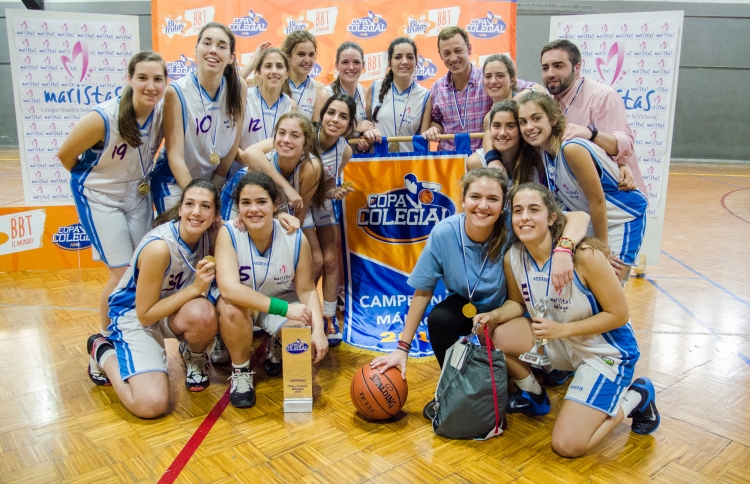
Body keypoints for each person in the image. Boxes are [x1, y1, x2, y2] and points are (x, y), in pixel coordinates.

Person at [370, 167, 590, 418]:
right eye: (475, 197)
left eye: (492, 199)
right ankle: (454, 388)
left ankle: (533, 382)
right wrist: (402, 348)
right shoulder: (444, 233)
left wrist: (564, 249)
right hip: (471, 305)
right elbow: (423, 292)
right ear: (463, 200)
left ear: (503, 206)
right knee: (441, 319)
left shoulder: (516, 223)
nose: (483, 206)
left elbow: (580, 217)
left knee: (495, 334)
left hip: (511, 309)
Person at [486, 182, 658, 457]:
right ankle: (534, 394)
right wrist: (493, 316)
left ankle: (638, 396)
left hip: (603, 352)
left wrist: (561, 330)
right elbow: (517, 304)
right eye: (518, 211)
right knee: (496, 335)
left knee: (567, 445)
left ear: (552, 218)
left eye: (534, 210)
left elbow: (619, 315)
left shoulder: (585, 255)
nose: (524, 217)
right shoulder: (513, 257)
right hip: (561, 344)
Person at [85, 180, 221, 418]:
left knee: (205, 314)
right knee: (151, 405)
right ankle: (102, 350)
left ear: (215, 215)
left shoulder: (209, 234)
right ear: (180, 208)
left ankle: (194, 357)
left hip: (170, 309)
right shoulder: (160, 247)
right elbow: (145, 315)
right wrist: (195, 288)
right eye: (190, 204)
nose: (197, 212)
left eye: (205, 206)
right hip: (136, 315)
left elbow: (246, 224)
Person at [58, 51, 166, 337]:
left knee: (142, 269)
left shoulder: (162, 111)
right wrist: (97, 180)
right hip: (100, 198)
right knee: (123, 275)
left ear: (166, 83)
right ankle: (105, 338)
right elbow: (66, 155)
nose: (150, 86)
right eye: (142, 78)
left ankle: (130, 332)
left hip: (137, 195)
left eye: (157, 79)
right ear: (128, 79)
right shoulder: (103, 117)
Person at [214, 171, 329, 408]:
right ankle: (241, 371)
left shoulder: (294, 237)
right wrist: (284, 309)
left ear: (275, 204)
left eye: (261, 201)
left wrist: (318, 331)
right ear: (238, 207)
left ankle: (279, 341)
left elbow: (307, 290)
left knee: (301, 329)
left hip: (279, 301)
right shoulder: (229, 232)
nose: (253, 209)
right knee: (231, 308)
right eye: (246, 203)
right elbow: (229, 290)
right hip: (245, 306)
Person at [517, 91, 648, 281]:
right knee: (586, 286)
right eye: (523, 121)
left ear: (553, 119)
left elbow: (597, 201)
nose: (529, 127)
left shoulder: (571, 148)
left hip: (623, 218)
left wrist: (602, 250)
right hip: (595, 220)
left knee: (606, 283)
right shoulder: (545, 151)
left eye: (536, 118)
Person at [151, 22, 246, 214]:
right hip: (175, 181)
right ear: (196, 50)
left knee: (217, 231)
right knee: (186, 231)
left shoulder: (239, 87)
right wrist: (199, 198)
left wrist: (217, 184)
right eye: (207, 43)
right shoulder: (176, 92)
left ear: (231, 57)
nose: (213, 50)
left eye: (221, 46)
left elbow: (233, 142)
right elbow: (175, 156)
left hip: (212, 180)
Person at [540, 39, 646, 197]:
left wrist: (591, 134)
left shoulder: (602, 97)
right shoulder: (546, 101)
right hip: (574, 195)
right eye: (545, 68)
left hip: (617, 197)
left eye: (558, 66)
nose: (550, 73)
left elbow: (625, 144)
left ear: (577, 68)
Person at [308, 93, 356, 346]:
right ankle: (305, 313)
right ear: (322, 114)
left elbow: (327, 186)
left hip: (321, 201)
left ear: (349, 124)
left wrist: (334, 193)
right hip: (299, 200)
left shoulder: (344, 149)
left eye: (343, 116)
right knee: (315, 260)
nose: (335, 120)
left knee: (330, 259)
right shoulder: (306, 136)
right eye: (331, 113)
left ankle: (329, 317)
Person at [224, 112, 325, 228]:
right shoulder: (259, 163)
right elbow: (249, 209)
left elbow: (299, 216)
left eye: (295, 135)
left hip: (269, 213)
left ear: (306, 142)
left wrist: (291, 231)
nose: (286, 139)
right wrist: (287, 187)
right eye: (281, 133)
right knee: (237, 230)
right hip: (238, 198)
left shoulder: (311, 167)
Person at [421, 27, 491, 152]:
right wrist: (434, 129)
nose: (453, 58)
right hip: (448, 159)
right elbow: (437, 121)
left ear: (469, 49)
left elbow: (525, 89)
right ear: (440, 55)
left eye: (458, 51)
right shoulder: (437, 88)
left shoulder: (488, 79)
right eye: (447, 53)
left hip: (481, 158)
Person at [233, 47, 296, 177]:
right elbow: (231, 145)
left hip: (273, 177)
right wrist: (257, 166)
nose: (274, 71)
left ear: (287, 73)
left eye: (279, 66)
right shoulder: (245, 98)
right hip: (241, 172)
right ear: (259, 72)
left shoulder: (291, 106)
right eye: (268, 66)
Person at [363, 37, 432, 153]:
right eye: (398, 57)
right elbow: (366, 129)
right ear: (390, 61)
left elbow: (423, 144)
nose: (404, 62)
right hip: (377, 161)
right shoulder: (375, 87)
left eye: (410, 57)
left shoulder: (425, 95)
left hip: (409, 162)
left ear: (416, 61)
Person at [469, 100, 545, 187]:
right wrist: (492, 159)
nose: (502, 133)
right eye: (497, 126)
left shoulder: (536, 157)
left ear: (521, 129)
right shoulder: (476, 162)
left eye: (510, 126)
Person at [315, 42, 373, 148]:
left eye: (356, 62)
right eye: (345, 62)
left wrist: (366, 141)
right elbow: (317, 136)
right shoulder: (325, 94)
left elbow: (368, 129)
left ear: (363, 65)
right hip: (333, 156)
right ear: (337, 65)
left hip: (359, 157)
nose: (351, 67)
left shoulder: (365, 92)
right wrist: (354, 128)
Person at [480, 54, 543, 130]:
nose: (493, 81)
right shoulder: (488, 118)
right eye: (488, 76)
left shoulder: (526, 106)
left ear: (512, 80)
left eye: (500, 75)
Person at [281, 31, 326, 121]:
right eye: (301, 54)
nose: (307, 60)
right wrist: (254, 61)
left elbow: (316, 126)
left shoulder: (319, 90)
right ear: (288, 56)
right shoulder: (275, 83)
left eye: (311, 54)